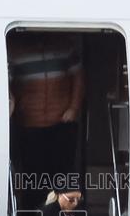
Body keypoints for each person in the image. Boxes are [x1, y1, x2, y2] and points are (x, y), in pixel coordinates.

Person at [8, 32, 85, 205]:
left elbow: (78, 77)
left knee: (64, 179)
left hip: (62, 124)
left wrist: (73, 108)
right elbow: (5, 83)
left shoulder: (65, 45)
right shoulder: (14, 50)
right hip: (28, 126)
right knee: (33, 180)